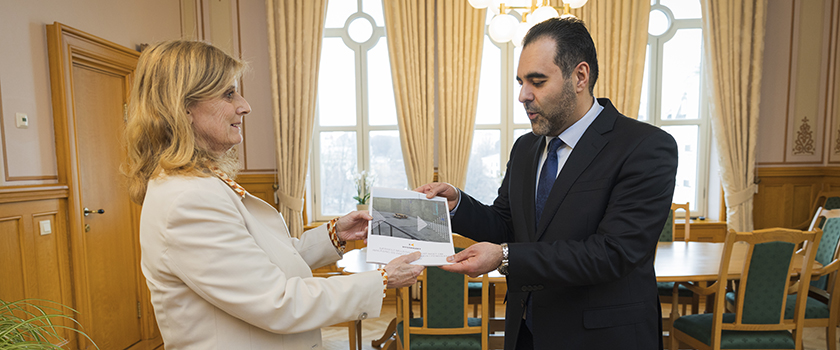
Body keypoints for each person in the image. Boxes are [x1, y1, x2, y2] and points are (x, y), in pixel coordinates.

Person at [124, 40, 425, 350]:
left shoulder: (197, 182)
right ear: (183, 108)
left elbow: (264, 262)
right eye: (228, 94)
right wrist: (382, 279)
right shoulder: (189, 200)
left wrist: (335, 234)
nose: (244, 105)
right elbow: (277, 302)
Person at [416, 18, 677, 350]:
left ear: (580, 76)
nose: (524, 95)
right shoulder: (525, 148)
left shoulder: (645, 147)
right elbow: (507, 225)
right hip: (526, 331)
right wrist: (456, 203)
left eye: (537, 81)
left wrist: (505, 257)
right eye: (521, 82)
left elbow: (612, 253)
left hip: (602, 337)